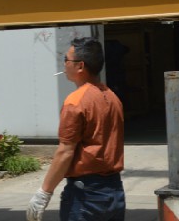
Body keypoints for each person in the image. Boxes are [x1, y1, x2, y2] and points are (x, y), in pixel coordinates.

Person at [26, 37, 125, 221]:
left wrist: (44, 193)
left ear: (80, 66)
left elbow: (65, 151)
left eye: (66, 60)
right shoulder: (112, 97)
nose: (64, 64)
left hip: (86, 194)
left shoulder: (76, 101)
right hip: (114, 190)